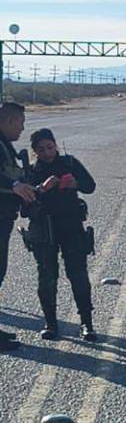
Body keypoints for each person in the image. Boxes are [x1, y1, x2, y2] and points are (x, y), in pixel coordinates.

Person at [26, 128, 97, 341]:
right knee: (47, 277)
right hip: (44, 228)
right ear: (35, 152)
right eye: (41, 149)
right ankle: (50, 323)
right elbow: (23, 204)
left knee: (78, 274)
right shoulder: (31, 171)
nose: (47, 153)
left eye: (49, 147)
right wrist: (41, 189)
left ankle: (87, 323)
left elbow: (90, 186)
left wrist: (76, 183)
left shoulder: (70, 163)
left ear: (55, 145)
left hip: (70, 225)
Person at [0, 103, 37, 350]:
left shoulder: (5, 145)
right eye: (21, 123)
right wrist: (13, 185)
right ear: (9, 121)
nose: (22, 129)